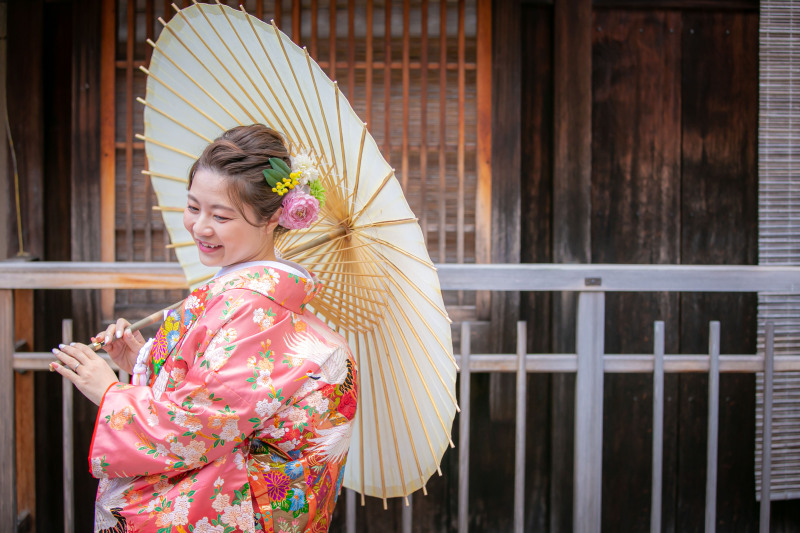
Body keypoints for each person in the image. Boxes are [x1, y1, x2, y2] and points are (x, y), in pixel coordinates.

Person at [50, 124, 358, 533]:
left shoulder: (254, 307)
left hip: (237, 504)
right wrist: (143, 358)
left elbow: (196, 426)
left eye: (221, 215)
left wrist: (109, 390)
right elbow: (219, 394)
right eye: (194, 207)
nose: (200, 227)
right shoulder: (252, 297)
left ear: (272, 218)